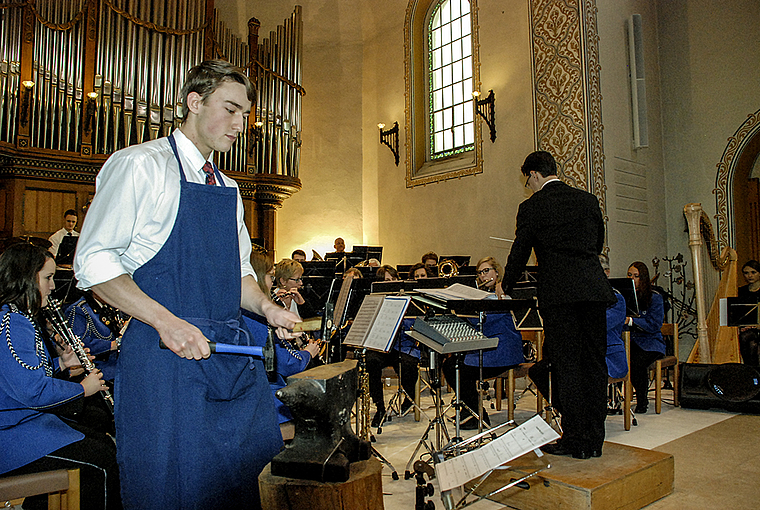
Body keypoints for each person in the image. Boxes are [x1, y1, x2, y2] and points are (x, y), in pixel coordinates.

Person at [73, 60, 299, 509]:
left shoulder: (228, 187)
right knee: (173, 489)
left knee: (245, 484)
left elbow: (238, 275)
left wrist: (268, 308)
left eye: (246, 115)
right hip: (165, 356)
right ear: (194, 102)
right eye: (231, 110)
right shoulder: (140, 165)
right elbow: (93, 263)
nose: (241, 125)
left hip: (231, 358)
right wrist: (166, 322)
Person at [503, 150, 615, 459]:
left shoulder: (532, 207)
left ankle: (575, 439)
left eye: (529, 180)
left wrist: (505, 286)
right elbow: (596, 244)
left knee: (566, 366)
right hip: (593, 292)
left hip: (560, 296)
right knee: (594, 364)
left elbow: (520, 252)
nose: (530, 185)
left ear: (535, 175)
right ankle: (594, 439)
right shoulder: (588, 200)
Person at [0, 243, 121, 510]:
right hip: (10, 433)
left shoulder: (14, 316)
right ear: (26, 277)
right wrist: (83, 389)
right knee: (101, 461)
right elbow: (31, 391)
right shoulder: (12, 323)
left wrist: (62, 363)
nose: (53, 286)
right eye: (48, 278)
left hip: (20, 422)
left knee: (101, 442)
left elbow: (15, 376)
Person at [442, 256, 524, 430]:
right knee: (451, 365)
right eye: (480, 273)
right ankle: (472, 411)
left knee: (458, 369)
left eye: (486, 271)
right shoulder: (483, 296)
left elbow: (486, 322)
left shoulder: (504, 293)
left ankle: (477, 415)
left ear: (497, 271)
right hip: (488, 349)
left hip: (504, 351)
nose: (483, 276)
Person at [624, 261, 665, 414]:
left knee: (636, 363)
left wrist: (631, 321)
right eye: (629, 275)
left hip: (651, 344)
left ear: (644, 278)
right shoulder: (624, 297)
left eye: (636, 276)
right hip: (630, 341)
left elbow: (654, 324)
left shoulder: (655, 298)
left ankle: (642, 400)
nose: (632, 279)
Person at [65, 291, 124, 384]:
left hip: (116, 363)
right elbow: (80, 344)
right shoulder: (79, 310)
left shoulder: (108, 306)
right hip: (100, 369)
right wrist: (113, 345)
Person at [738, 260, 760, 366]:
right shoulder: (740, 291)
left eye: (753, 272)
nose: (749, 276)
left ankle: (751, 371)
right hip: (747, 329)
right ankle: (753, 372)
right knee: (752, 343)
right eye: (746, 273)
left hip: (757, 327)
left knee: (746, 338)